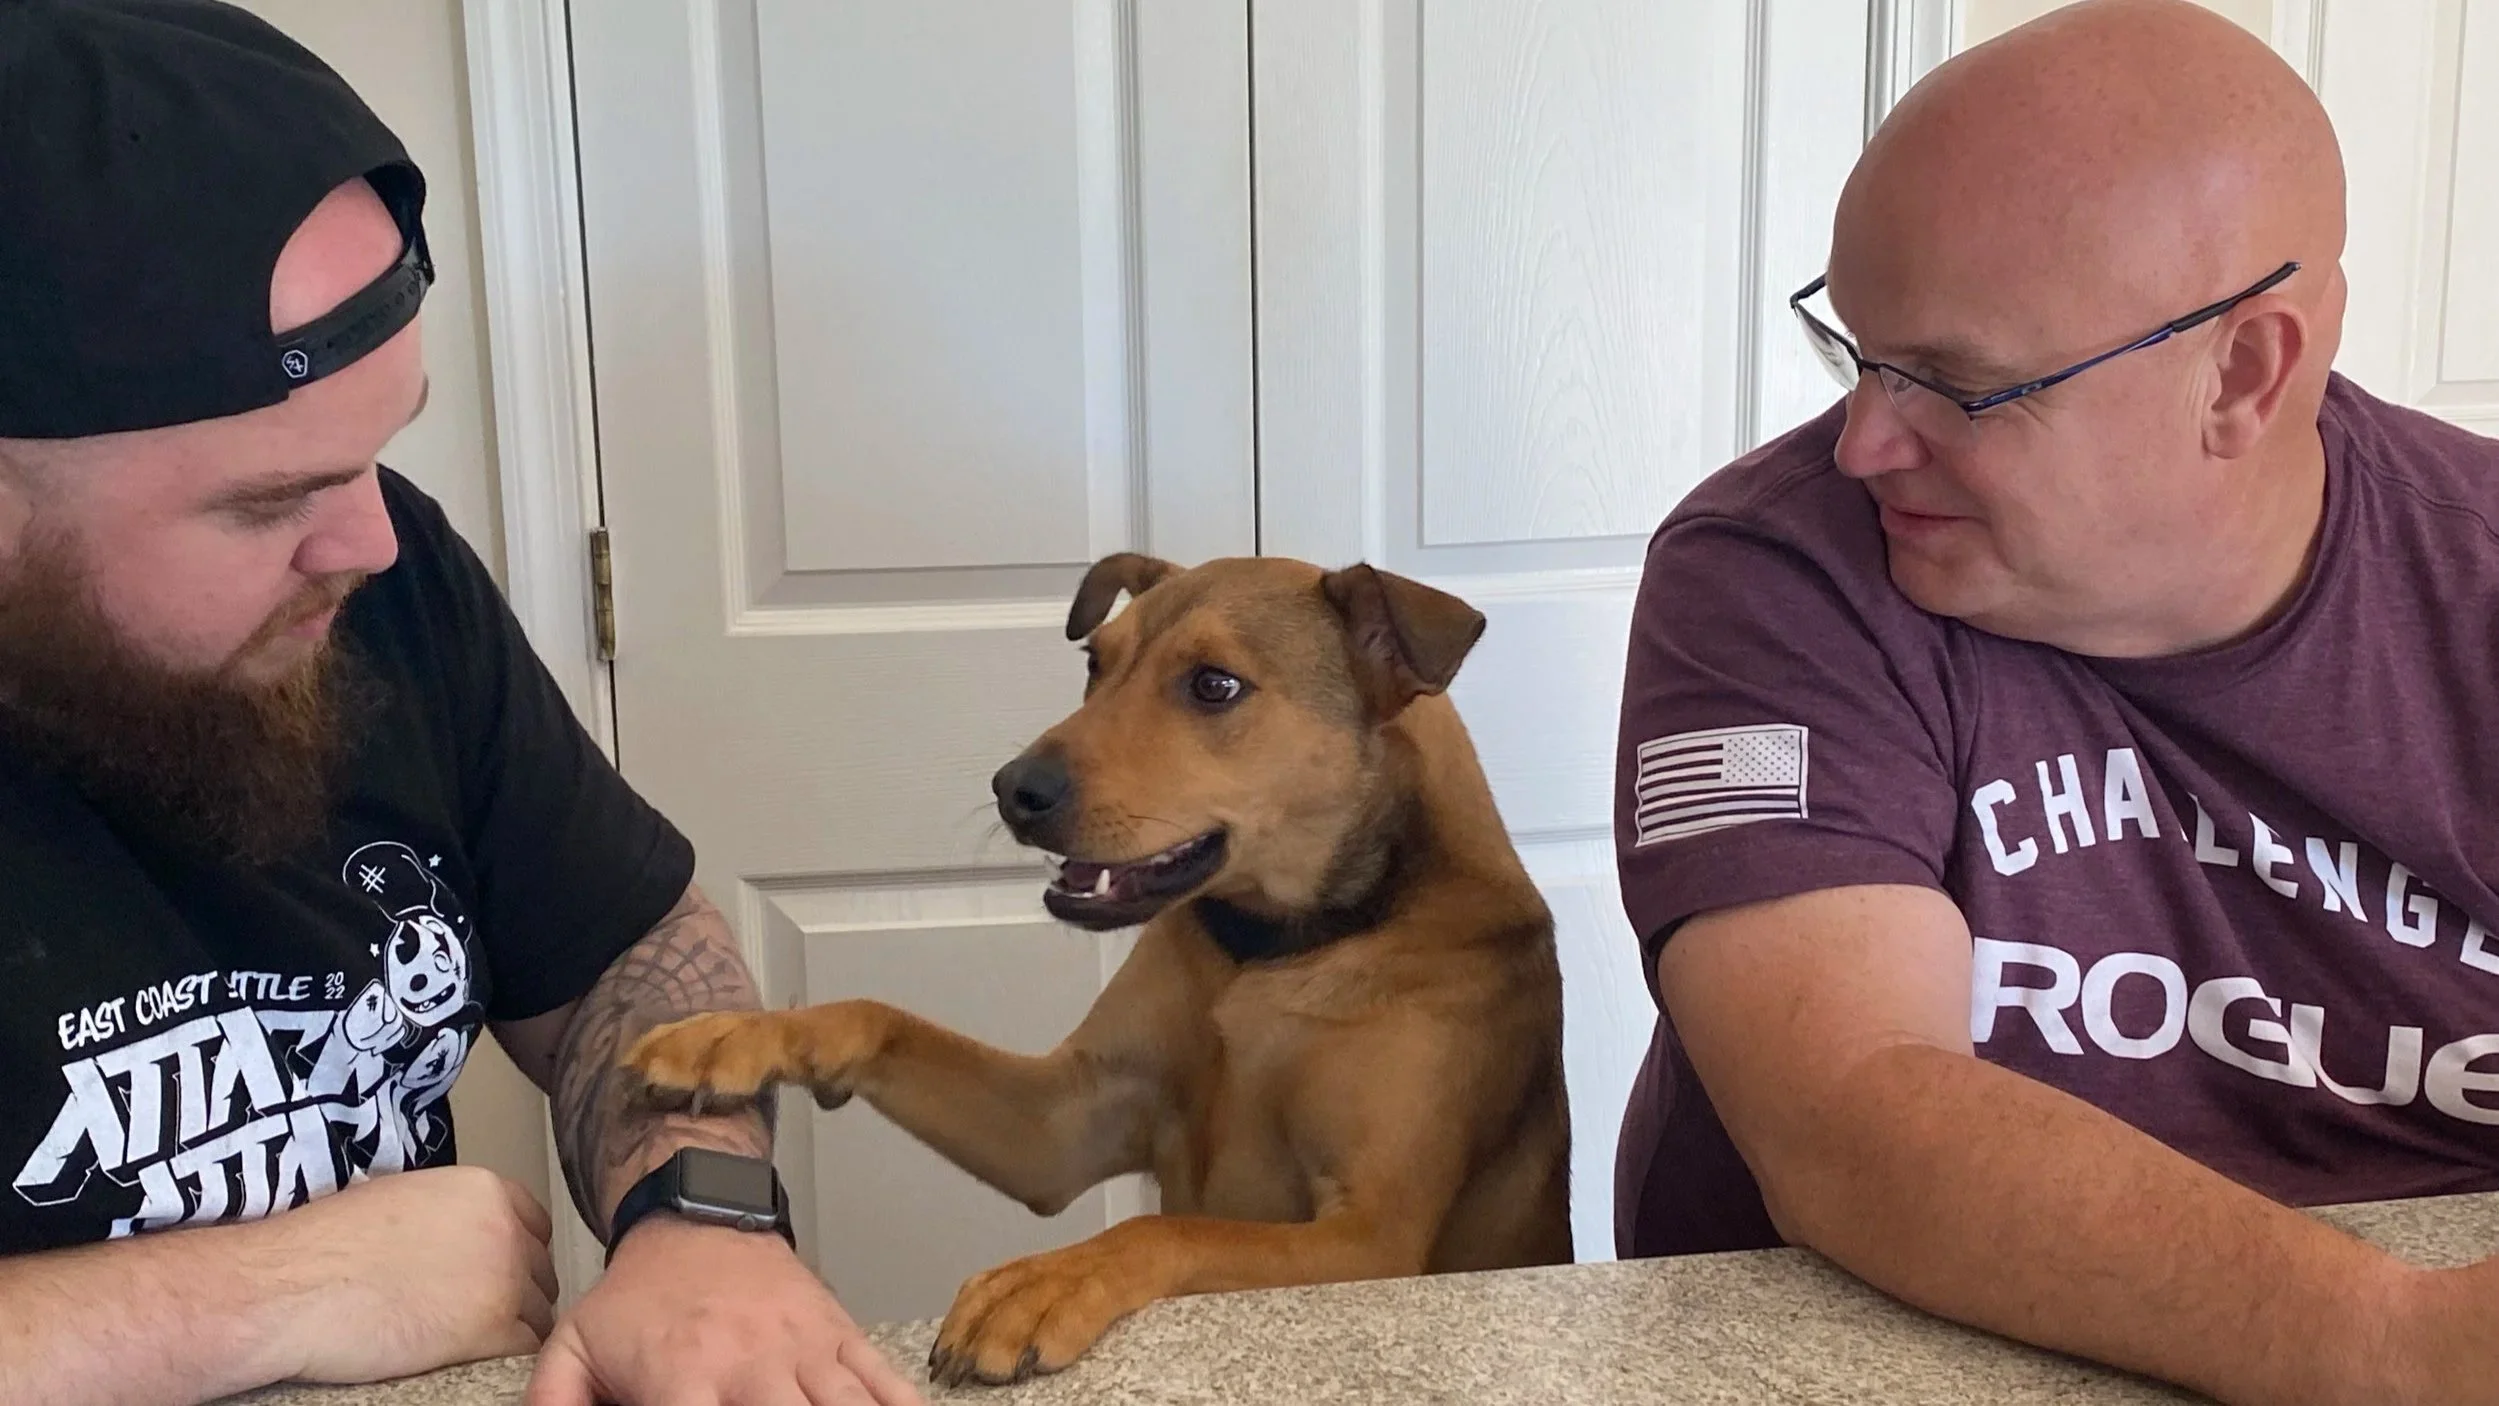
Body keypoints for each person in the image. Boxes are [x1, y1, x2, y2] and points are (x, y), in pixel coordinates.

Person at [0, 3, 918, 1403]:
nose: (369, 541)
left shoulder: (384, 579)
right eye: (267, 502)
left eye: (376, 454)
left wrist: (700, 1221)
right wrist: (273, 1293)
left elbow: (625, 945)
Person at [1610, 1, 2498, 1403]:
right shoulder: (1775, 572)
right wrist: (2393, 1347)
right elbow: (1851, 1113)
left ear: (2242, 372)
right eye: (1857, 351)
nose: (1861, 442)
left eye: (1954, 385)